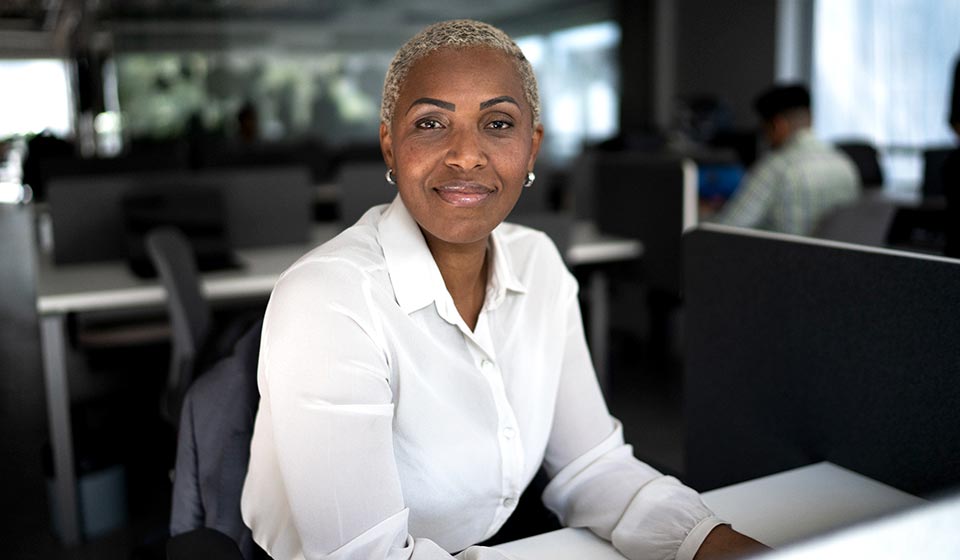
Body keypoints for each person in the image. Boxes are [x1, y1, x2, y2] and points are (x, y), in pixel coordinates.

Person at [241, 19, 767, 560]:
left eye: (497, 123)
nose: (466, 155)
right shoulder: (327, 300)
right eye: (430, 124)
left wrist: (713, 544)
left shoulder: (538, 262)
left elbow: (592, 466)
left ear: (531, 147)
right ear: (390, 146)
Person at [709, 83, 860, 236]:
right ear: (810, 118)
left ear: (778, 125)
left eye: (764, 129)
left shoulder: (777, 166)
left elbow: (726, 228)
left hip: (783, 257)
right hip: (833, 259)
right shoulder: (845, 164)